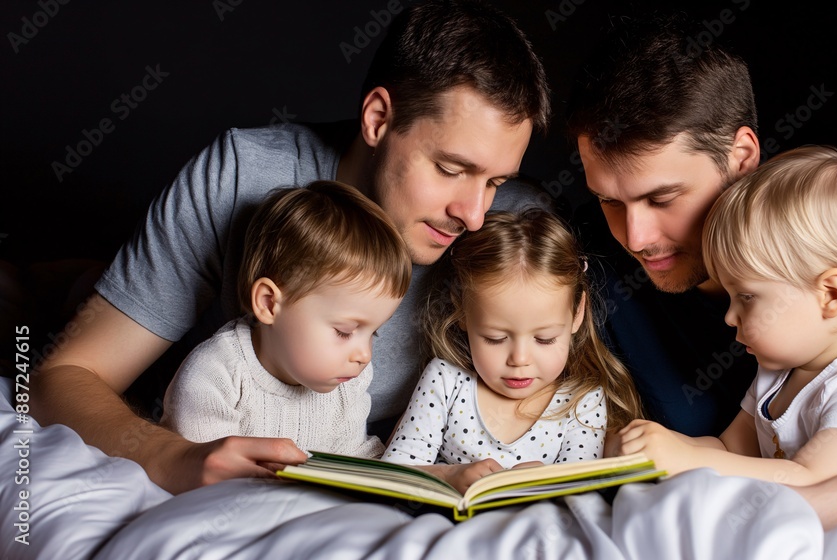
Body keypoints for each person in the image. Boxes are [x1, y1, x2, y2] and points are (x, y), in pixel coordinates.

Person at [32, 0, 551, 494]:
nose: (474, 214)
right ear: (377, 118)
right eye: (450, 169)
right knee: (47, 304)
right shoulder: (243, 175)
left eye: (496, 182)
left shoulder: (518, 230)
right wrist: (173, 456)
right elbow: (60, 377)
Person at [566, 13, 837, 528]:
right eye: (608, 201)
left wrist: (835, 495)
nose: (635, 238)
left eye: (663, 197)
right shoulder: (588, 259)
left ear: (742, 155)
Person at [615, 145, 837, 485]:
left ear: (831, 295)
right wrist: (664, 450)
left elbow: (814, 481)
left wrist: (690, 459)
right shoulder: (784, 367)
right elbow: (729, 449)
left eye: (747, 297)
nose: (729, 316)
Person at [381, 209, 643, 493]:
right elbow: (395, 472)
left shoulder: (582, 402)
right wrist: (449, 476)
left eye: (544, 339)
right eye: (495, 338)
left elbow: (583, 494)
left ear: (577, 314)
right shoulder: (445, 381)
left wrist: (545, 483)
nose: (519, 360)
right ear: (462, 311)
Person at [159, 181, 410, 459]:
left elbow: (353, 457)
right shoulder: (217, 376)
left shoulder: (348, 382)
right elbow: (208, 475)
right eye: (345, 331)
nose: (364, 355)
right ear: (268, 304)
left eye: (373, 333)